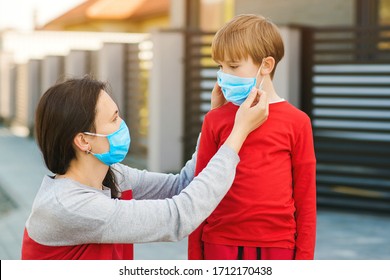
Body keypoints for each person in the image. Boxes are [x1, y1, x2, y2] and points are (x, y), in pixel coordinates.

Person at [21, 75, 269, 260]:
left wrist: (214, 120)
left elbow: (181, 185)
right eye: (114, 118)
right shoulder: (70, 206)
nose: (122, 124)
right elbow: (179, 217)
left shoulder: (110, 175)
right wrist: (238, 133)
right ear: (84, 140)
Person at [188, 14, 316, 260]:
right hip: (219, 243)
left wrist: (304, 262)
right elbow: (199, 193)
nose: (224, 75)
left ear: (266, 65)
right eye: (220, 66)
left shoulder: (297, 122)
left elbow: (306, 200)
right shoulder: (214, 119)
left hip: (278, 246)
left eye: (233, 66)